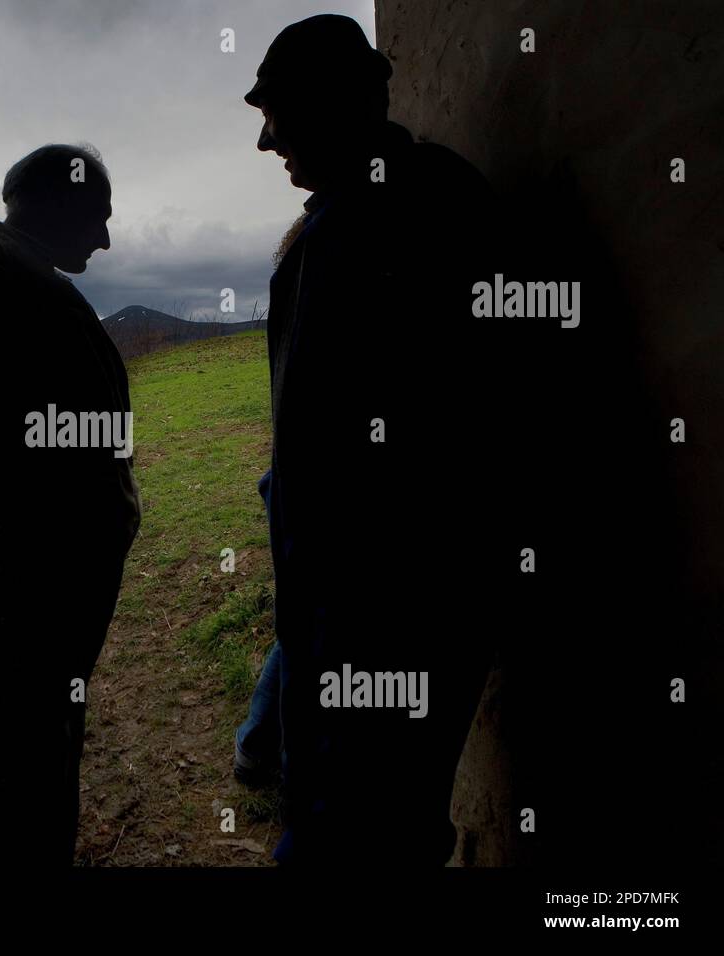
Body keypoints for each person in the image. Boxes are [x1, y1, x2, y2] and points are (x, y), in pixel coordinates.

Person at [244, 15, 510, 865]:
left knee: (352, 826)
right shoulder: (439, 196)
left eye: (273, 111)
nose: (262, 140)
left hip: (376, 610)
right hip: (402, 604)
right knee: (391, 814)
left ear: (339, 103)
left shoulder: (370, 222)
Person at [0, 144, 142, 866]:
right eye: (99, 218)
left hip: (54, 553)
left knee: (47, 728)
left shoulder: (17, 273)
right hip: (39, 559)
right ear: (57, 203)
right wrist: (26, 531)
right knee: (29, 742)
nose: (106, 239)